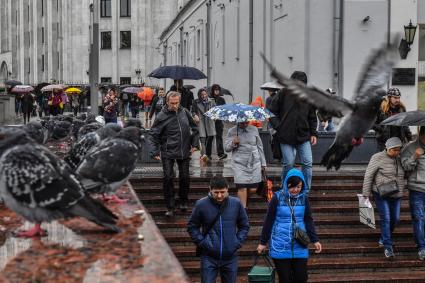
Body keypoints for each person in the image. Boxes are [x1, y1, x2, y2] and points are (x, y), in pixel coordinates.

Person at [257, 169, 321, 283]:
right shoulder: (277, 198)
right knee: (285, 279)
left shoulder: (303, 198)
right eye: (293, 187)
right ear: (287, 184)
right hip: (280, 244)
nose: (296, 190)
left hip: (300, 243)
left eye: (299, 187)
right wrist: (263, 242)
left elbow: (308, 220)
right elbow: (269, 220)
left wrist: (315, 240)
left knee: (301, 278)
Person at [187, 175, 249, 283]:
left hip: (230, 256)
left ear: (227, 189)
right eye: (216, 192)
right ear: (210, 189)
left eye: (222, 192)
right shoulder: (201, 204)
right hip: (209, 256)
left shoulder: (236, 204)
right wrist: (202, 243)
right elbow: (192, 226)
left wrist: (237, 242)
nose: (219, 195)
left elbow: (244, 225)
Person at [148, 91, 200, 217]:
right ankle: (170, 206)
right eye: (172, 103)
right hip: (167, 150)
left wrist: (195, 144)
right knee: (168, 177)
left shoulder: (185, 112)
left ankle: (183, 201)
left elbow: (195, 129)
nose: (175, 106)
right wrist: (154, 151)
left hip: (184, 149)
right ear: (167, 102)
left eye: (177, 103)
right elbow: (153, 134)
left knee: (185, 177)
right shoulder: (161, 116)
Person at [268, 71, 317, 189]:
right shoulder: (283, 93)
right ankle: (285, 187)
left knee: (308, 163)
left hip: (304, 135)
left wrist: (313, 133)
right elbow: (271, 112)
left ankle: (305, 190)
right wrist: (278, 126)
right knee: (289, 163)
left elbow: (312, 117)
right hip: (285, 135)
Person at [362, 137, 404, 258]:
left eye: (398, 150)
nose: (396, 152)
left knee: (395, 219)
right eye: (394, 150)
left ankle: (384, 238)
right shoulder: (377, 157)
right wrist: (366, 193)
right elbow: (369, 175)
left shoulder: (400, 158)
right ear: (387, 148)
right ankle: (388, 247)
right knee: (386, 218)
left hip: (397, 193)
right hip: (381, 193)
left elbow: (406, 170)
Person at [225, 122, 266, 208]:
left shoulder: (254, 129)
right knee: (242, 187)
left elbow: (260, 146)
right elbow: (227, 148)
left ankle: (243, 200)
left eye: (246, 121)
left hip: (254, 162)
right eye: (242, 122)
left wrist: (263, 163)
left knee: (253, 189)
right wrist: (233, 143)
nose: (244, 123)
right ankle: (243, 211)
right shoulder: (232, 131)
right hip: (239, 163)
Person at [401, 127, 425, 261]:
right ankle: (422, 247)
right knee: (419, 217)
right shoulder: (409, 148)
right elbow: (405, 167)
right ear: (421, 135)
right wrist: (415, 156)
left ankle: (418, 240)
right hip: (417, 189)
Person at [193, 88, 216, 162]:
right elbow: (192, 111)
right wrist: (194, 115)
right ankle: (204, 155)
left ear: (207, 94)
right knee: (202, 139)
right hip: (201, 121)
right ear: (199, 95)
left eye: (205, 94)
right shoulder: (196, 102)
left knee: (210, 138)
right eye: (202, 94)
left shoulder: (211, 101)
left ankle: (208, 154)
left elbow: (215, 110)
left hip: (210, 121)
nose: (203, 96)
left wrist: (214, 117)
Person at [211, 84, 227, 160]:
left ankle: (221, 153)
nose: (217, 91)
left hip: (219, 120)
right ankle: (208, 153)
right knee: (210, 137)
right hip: (210, 120)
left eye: (218, 90)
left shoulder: (221, 99)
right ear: (213, 91)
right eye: (215, 90)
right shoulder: (210, 99)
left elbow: (225, 109)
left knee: (219, 137)